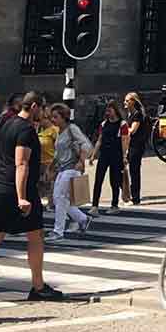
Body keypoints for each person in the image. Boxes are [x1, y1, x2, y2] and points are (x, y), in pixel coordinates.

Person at [0, 92, 63, 301]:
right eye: (42, 108)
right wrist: (22, 197)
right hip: (17, 190)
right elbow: (21, 163)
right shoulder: (26, 130)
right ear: (33, 107)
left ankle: (39, 286)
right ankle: (39, 287)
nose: (44, 113)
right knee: (36, 236)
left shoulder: (6, 123)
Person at [46, 103, 93, 241]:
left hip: (72, 169)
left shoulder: (72, 129)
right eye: (52, 117)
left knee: (60, 198)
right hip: (62, 169)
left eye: (55, 117)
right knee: (60, 199)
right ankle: (83, 219)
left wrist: (81, 161)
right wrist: (51, 168)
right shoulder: (60, 132)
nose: (53, 120)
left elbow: (86, 144)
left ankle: (58, 231)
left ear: (64, 117)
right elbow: (57, 154)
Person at [89, 101, 126, 215]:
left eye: (110, 110)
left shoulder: (122, 124)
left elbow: (124, 140)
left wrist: (125, 156)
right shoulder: (104, 124)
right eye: (107, 111)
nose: (108, 113)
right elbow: (99, 140)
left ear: (115, 110)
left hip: (116, 155)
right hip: (104, 154)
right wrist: (93, 155)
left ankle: (114, 205)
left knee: (114, 181)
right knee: (98, 179)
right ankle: (95, 206)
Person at [122, 92, 148, 206]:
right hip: (131, 145)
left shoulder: (137, 115)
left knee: (134, 171)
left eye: (127, 101)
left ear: (133, 102)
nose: (125, 102)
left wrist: (122, 129)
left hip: (136, 146)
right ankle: (130, 195)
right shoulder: (130, 114)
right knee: (130, 170)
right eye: (125, 100)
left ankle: (135, 198)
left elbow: (133, 130)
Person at [35, 105, 58, 207]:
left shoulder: (54, 130)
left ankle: (51, 204)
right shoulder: (39, 130)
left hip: (50, 162)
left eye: (41, 120)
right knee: (40, 185)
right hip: (39, 162)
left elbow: (58, 148)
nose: (39, 122)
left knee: (50, 184)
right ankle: (39, 203)